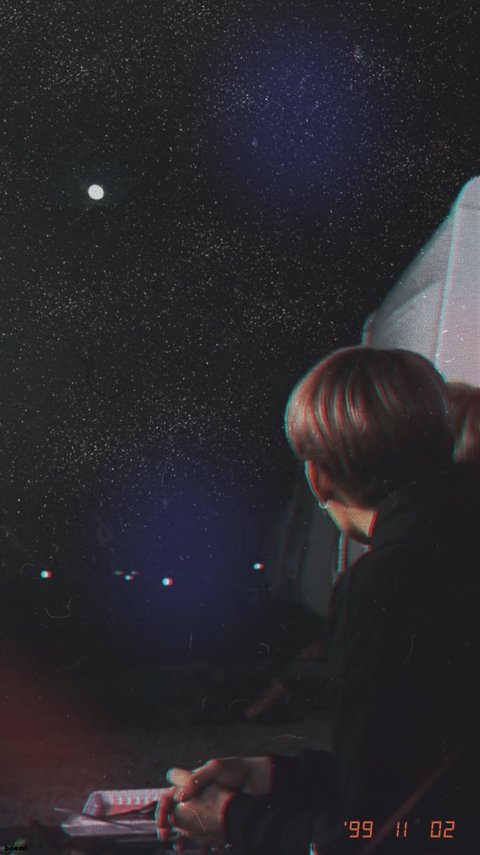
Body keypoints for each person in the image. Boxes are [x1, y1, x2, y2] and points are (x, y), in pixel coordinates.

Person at [156, 347, 480, 854]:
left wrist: (234, 819)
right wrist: (274, 776)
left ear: (319, 476)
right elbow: (426, 782)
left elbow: (380, 836)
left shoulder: (385, 581)